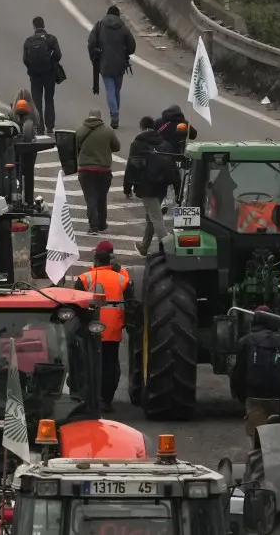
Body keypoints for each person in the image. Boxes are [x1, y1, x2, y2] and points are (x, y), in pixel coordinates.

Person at [75, 242, 132, 412]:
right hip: (113, 330)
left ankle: (90, 398)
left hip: (91, 330)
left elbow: (76, 304)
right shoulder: (122, 278)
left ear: (96, 261)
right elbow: (130, 303)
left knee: (89, 364)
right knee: (109, 365)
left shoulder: (85, 278)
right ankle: (106, 400)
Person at [232, 310, 280, 442]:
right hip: (277, 397)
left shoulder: (245, 341)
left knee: (258, 438)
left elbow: (238, 372)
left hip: (254, 397)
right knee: (276, 437)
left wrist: (241, 396)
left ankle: (259, 460)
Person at [125, 115, 181, 256]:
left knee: (155, 217)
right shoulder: (164, 143)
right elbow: (173, 167)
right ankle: (144, 246)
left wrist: (127, 187)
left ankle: (170, 249)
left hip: (146, 186)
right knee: (152, 216)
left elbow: (131, 166)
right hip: (162, 185)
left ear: (141, 126)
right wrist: (177, 187)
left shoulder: (138, 144)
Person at [87, 5, 137, 129]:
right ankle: (115, 115)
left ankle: (114, 115)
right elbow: (132, 46)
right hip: (120, 64)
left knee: (110, 89)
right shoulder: (123, 27)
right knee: (116, 90)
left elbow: (91, 43)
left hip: (105, 63)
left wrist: (94, 57)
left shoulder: (99, 26)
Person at [76, 108, 121, 234]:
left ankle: (93, 227)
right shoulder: (108, 130)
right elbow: (117, 147)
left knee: (91, 198)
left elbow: (74, 147)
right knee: (102, 197)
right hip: (104, 170)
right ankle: (102, 224)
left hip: (85, 169)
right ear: (100, 118)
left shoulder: (80, 130)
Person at [23, 15, 63, 133]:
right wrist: (51, 64)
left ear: (34, 26)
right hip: (49, 74)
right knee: (49, 99)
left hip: (35, 75)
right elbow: (59, 55)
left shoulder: (29, 41)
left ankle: (39, 126)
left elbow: (25, 59)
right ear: (44, 25)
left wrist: (32, 69)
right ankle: (50, 126)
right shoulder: (51, 39)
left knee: (36, 100)